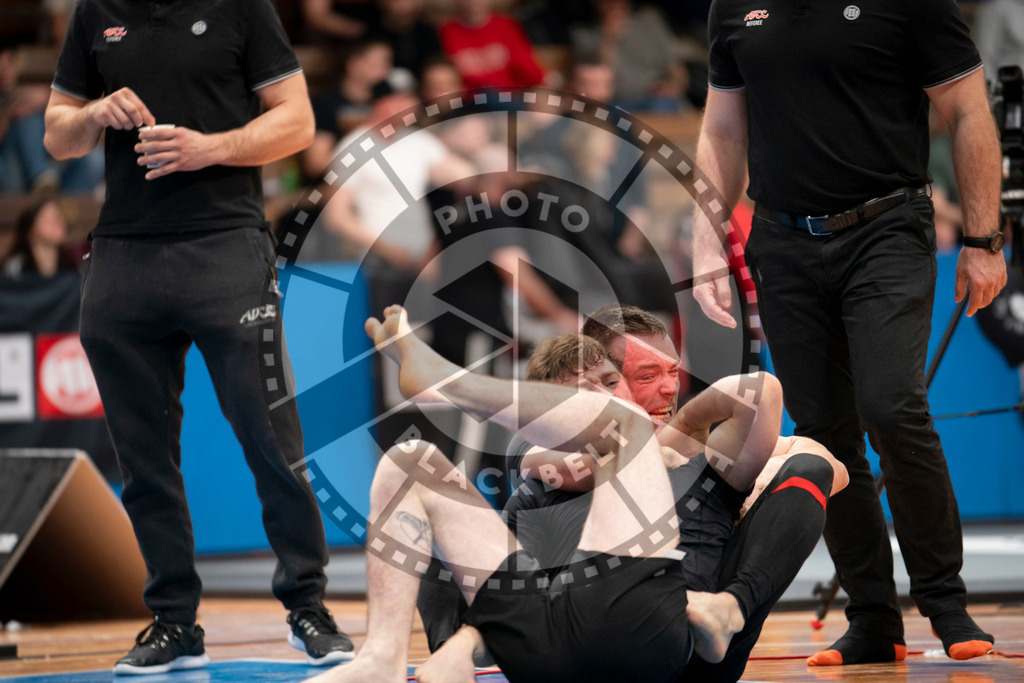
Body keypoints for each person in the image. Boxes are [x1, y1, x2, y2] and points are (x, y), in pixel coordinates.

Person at [693, 0, 1008, 666]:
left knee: (891, 404)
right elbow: (722, 126)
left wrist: (984, 237)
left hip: (887, 225)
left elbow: (968, 107)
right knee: (824, 433)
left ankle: (945, 600)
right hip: (780, 237)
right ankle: (872, 617)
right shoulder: (733, 7)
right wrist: (704, 241)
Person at [43, 0, 353, 674]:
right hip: (123, 255)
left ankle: (308, 603)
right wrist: (92, 115)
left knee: (273, 438)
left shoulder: (242, 5)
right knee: (143, 459)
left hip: (226, 246)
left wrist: (208, 148)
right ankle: (174, 620)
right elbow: (56, 136)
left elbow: (296, 121)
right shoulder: (97, 10)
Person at [415, 306, 848, 682]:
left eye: (673, 372)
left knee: (807, 470)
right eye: (648, 375)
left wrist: (687, 431)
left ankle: (730, 607)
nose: (668, 389)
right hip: (584, 625)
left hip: (686, 638)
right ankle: (460, 644)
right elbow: (570, 463)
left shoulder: (699, 458)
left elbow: (828, 464)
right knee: (446, 527)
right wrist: (651, 445)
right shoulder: (535, 452)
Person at [305, 305, 732, 683]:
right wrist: (661, 450)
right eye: (585, 392)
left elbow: (761, 401)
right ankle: (383, 657)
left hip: (623, 627)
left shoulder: (660, 445)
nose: (603, 397)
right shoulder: (534, 448)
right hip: (546, 632)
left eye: (610, 382)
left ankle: (445, 381)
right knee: (408, 460)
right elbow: (570, 467)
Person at [439, 0, 546, 91]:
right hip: (469, 101)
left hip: (509, 98)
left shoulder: (507, 26)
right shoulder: (445, 32)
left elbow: (529, 69)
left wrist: (542, 85)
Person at [1, 198, 79, 277]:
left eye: (59, 217)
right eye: (49, 219)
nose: (59, 222)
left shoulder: (72, 267)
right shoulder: (16, 269)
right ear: (30, 229)